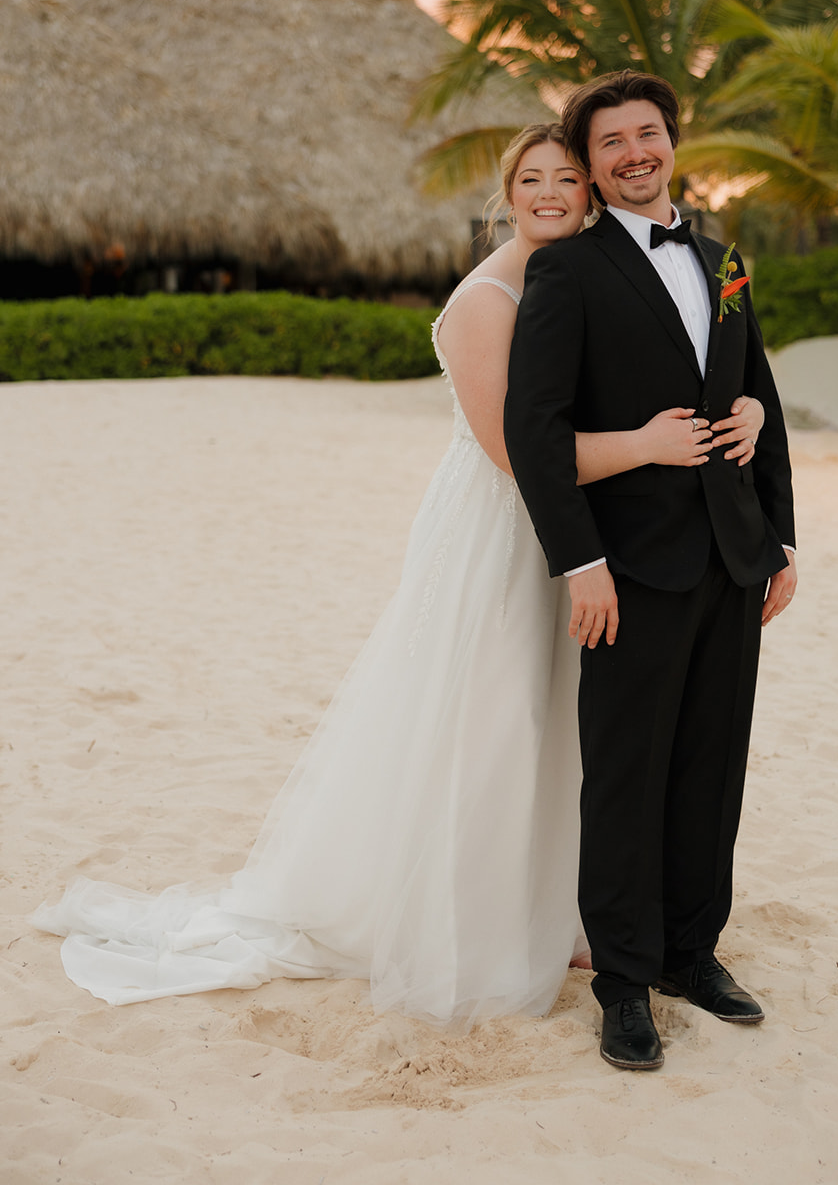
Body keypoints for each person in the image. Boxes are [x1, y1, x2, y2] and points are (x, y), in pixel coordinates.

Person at [33, 122, 767, 1028]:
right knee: (496, 720)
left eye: (567, 179)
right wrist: (649, 445)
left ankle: (576, 911)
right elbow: (513, 450)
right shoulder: (488, 299)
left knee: (572, 732)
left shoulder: (588, 274)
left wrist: (738, 420)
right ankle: (484, 920)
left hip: (593, 529)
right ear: (506, 194)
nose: (551, 194)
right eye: (531, 179)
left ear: (591, 193)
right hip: (503, 534)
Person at [504, 75, 797, 1071]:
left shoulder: (724, 259)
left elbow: (760, 400)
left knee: (709, 767)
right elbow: (533, 431)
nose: (634, 152)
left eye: (647, 133)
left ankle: (688, 951)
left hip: (730, 559)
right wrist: (578, 561)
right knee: (625, 777)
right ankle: (622, 982)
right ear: (587, 166)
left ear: (672, 140)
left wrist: (781, 540)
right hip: (624, 570)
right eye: (612, 142)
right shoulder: (568, 272)